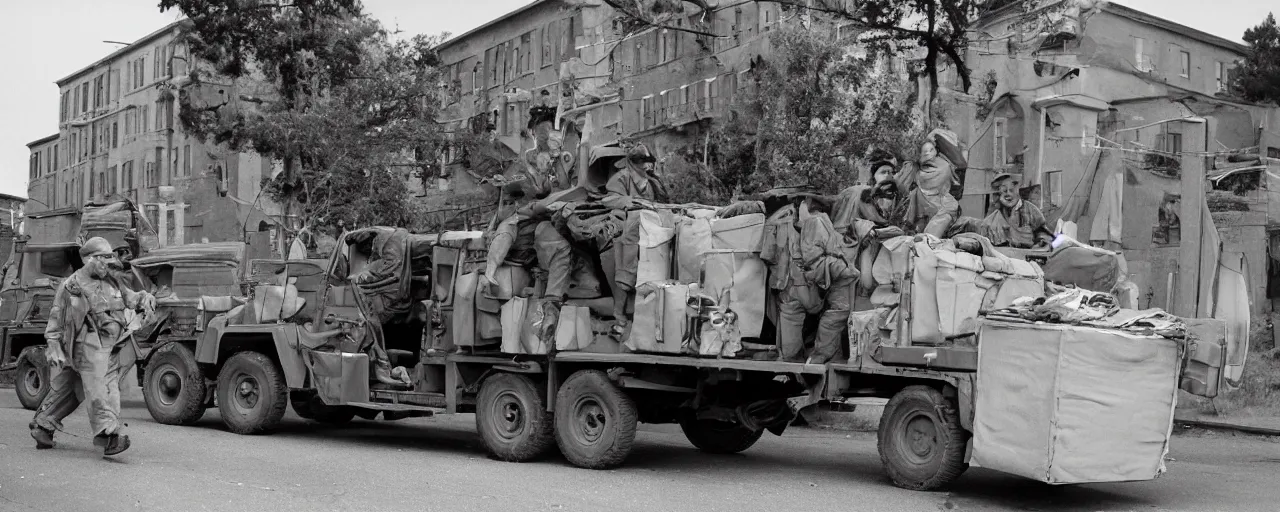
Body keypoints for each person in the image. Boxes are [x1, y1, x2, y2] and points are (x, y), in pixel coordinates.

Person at [30, 237, 156, 456]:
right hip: (86, 345)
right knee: (102, 389)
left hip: (111, 345)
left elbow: (129, 298)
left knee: (72, 390)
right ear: (90, 259)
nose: (108, 265)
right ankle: (107, 436)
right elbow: (55, 321)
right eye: (104, 260)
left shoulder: (112, 281)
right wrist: (54, 346)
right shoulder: (71, 286)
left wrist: (143, 298)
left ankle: (43, 425)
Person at [761, 189, 860, 364]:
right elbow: (817, 259)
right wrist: (846, 270)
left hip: (788, 286)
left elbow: (767, 255)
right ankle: (815, 358)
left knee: (790, 337)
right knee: (837, 312)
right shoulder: (818, 221)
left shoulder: (778, 220)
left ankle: (794, 365)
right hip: (808, 286)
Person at [604, 144, 668, 327]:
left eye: (647, 161)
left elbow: (662, 202)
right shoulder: (621, 178)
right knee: (626, 269)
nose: (645, 166)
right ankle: (618, 313)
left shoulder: (652, 181)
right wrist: (631, 201)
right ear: (632, 162)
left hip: (652, 230)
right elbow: (609, 199)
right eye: (641, 161)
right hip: (629, 229)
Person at [983, 173, 1053, 249]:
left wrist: (1040, 244)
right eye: (1004, 191)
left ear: (1017, 190)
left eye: (1011, 190)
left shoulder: (1030, 210)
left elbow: (1044, 233)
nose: (1008, 194)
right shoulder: (992, 217)